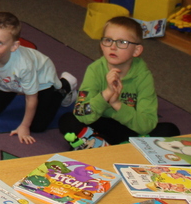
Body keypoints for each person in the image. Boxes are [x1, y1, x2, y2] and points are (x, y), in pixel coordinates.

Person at [58, 16, 180, 149]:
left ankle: (103, 147)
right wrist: (106, 94)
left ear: (136, 50)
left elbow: (147, 125)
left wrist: (116, 104)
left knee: (170, 130)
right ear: (101, 46)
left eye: (122, 42)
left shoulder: (143, 77)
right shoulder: (95, 70)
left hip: (129, 126)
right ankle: (101, 144)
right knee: (67, 120)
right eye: (108, 40)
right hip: (98, 124)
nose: (113, 47)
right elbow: (81, 114)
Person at [0, 12, 77, 145]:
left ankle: (64, 85)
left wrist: (24, 126)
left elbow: (31, 97)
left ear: (14, 46)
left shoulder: (24, 65)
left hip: (41, 79)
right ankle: (16, 86)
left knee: (38, 126)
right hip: (11, 81)